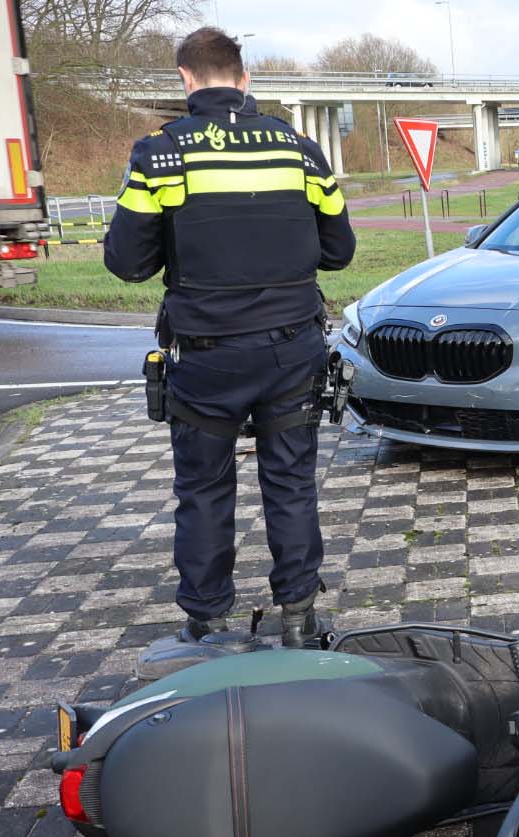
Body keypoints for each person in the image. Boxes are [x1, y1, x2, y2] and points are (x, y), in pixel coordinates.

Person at [105, 27, 356, 652]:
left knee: (203, 488)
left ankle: (208, 626)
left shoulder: (161, 153)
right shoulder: (301, 152)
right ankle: (299, 618)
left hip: (206, 355)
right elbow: (340, 252)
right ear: (244, 79)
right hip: (292, 348)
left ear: (186, 80)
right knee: (292, 483)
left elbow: (126, 263)